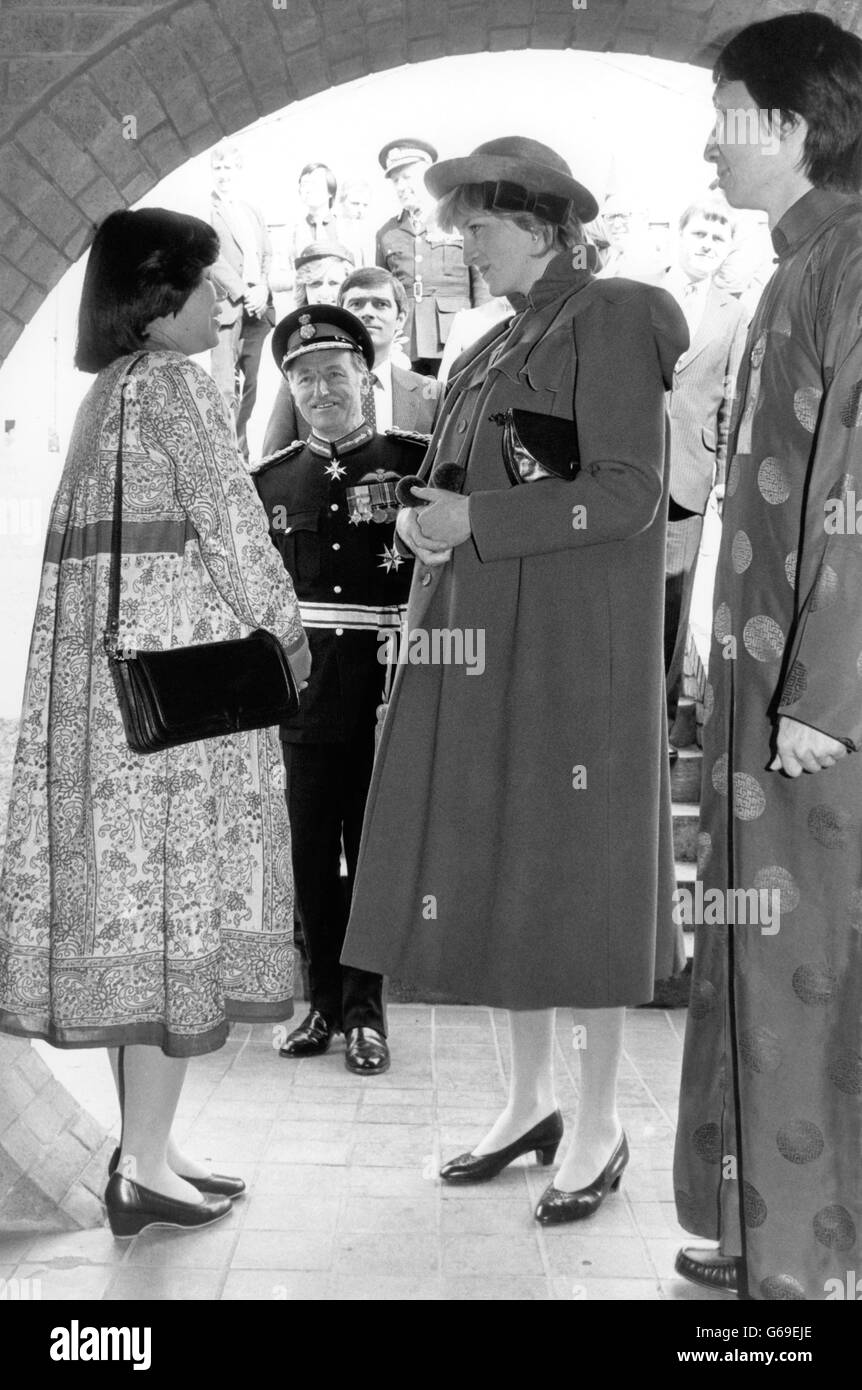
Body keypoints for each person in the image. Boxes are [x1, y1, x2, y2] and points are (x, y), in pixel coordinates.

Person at [341, 137, 688, 1219]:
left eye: (479, 230)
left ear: (542, 223)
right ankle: (529, 1102)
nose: (464, 248)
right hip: (483, 633)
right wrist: (427, 514)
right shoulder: (491, 342)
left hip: (572, 647)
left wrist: (477, 520)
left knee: (577, 879)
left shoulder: (618, 313)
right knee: (499, 861)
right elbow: (464, 477)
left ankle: (597, 1121)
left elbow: (630, 490)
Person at [0, 208, 311, 1238]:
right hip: (186, 712)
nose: (225, 306)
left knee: (144, 927)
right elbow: (233, 527)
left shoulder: (110, 391)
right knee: (182, 922)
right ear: (161, 294)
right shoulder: (175, 386)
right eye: (208, 286)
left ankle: (154, 1154)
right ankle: (142, 1165)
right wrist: (289, 636)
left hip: (117, 712)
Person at [673, 12, 862, 1299]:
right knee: (755, 956)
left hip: (815, 714)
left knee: (811, 976)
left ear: (791, 126)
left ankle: (806, 1265)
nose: (706, 146)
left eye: (727, 115)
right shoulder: (803, 262)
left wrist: (825, 691)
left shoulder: (850, 260)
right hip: (762, 695)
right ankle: (764, 1239)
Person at [252, 306, 426, 1075]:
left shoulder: (414, 464)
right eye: (303, 376)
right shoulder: (268, 482)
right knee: (312, 858)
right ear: (290, 386)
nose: (320, 388)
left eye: (334, 372)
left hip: (389, 693)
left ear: (365, 375)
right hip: (305, 702)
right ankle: (323, 1005)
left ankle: (367, 1013)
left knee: (376, 858)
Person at [661, 198, 747, 744]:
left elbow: (731, 398)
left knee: (672, 605)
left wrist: (721, 474)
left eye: (719, 237)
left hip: (686, 479)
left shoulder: (733, 312)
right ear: (679, 233)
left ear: (728, 249)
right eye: (699, 232)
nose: (707, 243)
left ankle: (661, 725)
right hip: (619, 470)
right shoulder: (638, 294)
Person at [262, 267, 443, 453]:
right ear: (342, 314)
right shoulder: (298, 388)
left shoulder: (431, 394)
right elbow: (278, 470)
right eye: (356, 304)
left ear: (400, 318)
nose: (368, 313)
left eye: (381, 304)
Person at [375, 138, 487, 375]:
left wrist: (483, 330)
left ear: (427, 175)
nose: (401, 186)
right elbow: (382, 293)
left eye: (407, 177)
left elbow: (482, 280)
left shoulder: (459, 220)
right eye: (396, 181)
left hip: (456, 337)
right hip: (405, 343)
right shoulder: (387, 233)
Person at [209, 142, 276, 462]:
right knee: (225, 387)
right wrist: (242, 290)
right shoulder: (208, 211)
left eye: (228, 168)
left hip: (257, 309)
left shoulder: (252, 211)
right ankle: (228, 458)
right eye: (218, 169)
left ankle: (247, 454)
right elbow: (210, 257)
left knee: (253, 385)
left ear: (239, 171)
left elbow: (266, 253)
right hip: (228, 307)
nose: (223, 175)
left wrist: (261, 287)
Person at [293, 240, 354, 310]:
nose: (324, 294)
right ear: (303, 291)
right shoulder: (291, 321)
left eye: (333, 283)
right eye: (315, 283)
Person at [338, 177, 375, 268]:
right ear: (341, 202)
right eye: (355, 204)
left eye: (365, 205)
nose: (360, 210)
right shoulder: (333, 233)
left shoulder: (371, 236)